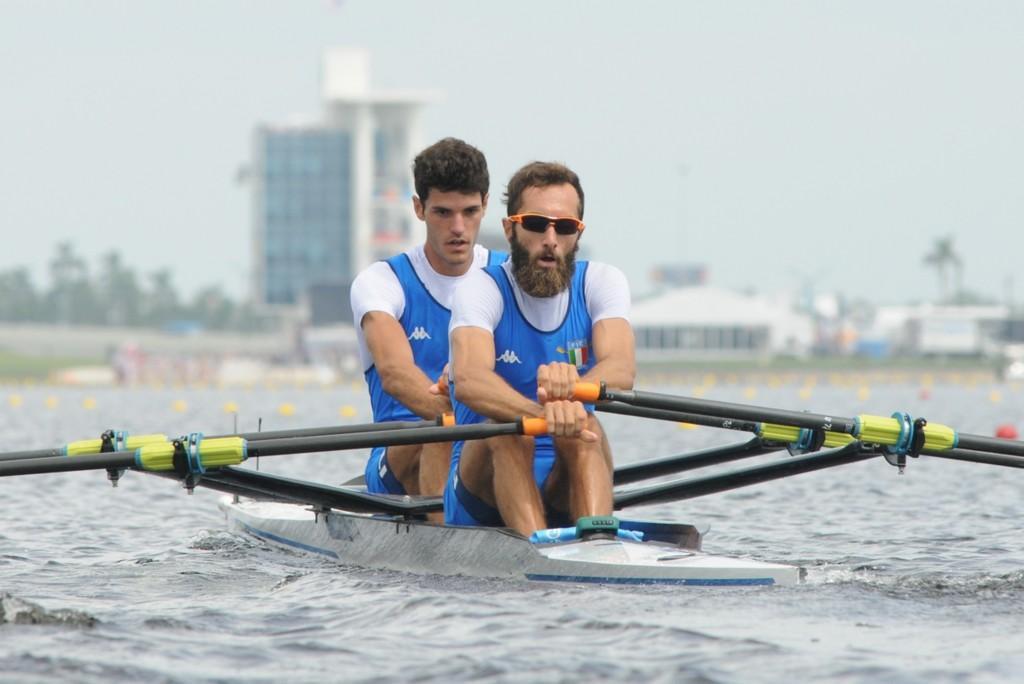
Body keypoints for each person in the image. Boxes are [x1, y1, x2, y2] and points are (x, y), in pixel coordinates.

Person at [444, 161, 635, 536]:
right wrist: (542, 413)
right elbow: (468, 379)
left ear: (577, 235)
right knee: (508, 430)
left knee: (585, 427)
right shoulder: (479, 289)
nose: (551, 238)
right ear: (510, 229)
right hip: (479, 488)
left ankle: (599, 544)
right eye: (536, 224)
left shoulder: (602, 281)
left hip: (566, 468)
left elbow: (621, 368)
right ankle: (539, 548)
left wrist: (574, 394)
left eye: (564, 228)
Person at [349, 138, 505, 498]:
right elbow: (395, 375)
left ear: (484, 204)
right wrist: (467, 403)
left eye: (469, 211)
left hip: (490, 445)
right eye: (443, 213)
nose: (458, 228)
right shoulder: (382, 282)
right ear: (419, 208)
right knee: (442, 429)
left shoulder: (506, 278)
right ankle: (446, 536)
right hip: (400, 460)